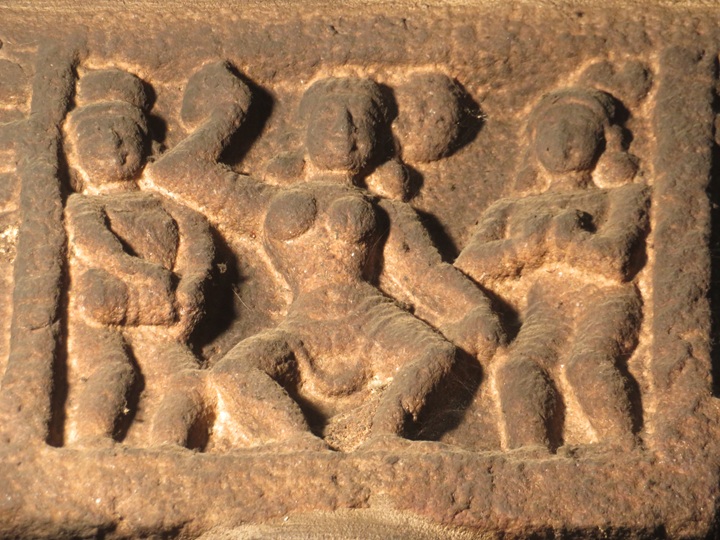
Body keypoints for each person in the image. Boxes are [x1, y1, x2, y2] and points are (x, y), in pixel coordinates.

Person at [145, 63, 503, 450]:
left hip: (373, 321)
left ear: (379, 137)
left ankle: (385, 440)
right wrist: (229, 111)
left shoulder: (386, 210)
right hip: (304, 327)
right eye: (330, 115)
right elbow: (175, 172)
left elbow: (427, 273)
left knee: (437, 355)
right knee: (233, 372)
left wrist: (476, 309)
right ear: (306, 129)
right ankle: (297, 443)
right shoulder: (267, 202)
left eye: (360, 118)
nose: (344, 128)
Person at [455, 88, 648, 451]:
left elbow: (617, 260)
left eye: (576, 126)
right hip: (544, 308)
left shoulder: (623, 196)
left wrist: (567, 243)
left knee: (587, 363)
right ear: (533, 143)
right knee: (519, 369)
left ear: (605, 138)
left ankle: (621, 445)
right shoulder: (511, 207)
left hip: (606, 301)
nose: (561, 138)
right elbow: (469, 265)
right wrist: (523, 248)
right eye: (551, 127)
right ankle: (529, 456)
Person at [64, 69, 213, 446]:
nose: (111, 141)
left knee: (189, 381)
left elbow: (198, 246)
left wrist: (192, 286)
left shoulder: (169, 204)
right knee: (115, 372)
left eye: (122, 130)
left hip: (162, 310)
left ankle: (169, 447)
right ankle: (92, 443)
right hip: (105, 305)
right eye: (95, 135)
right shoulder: (85, 205)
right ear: (76, 154)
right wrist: (141, 273)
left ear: (147, 144)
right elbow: (97, 245)